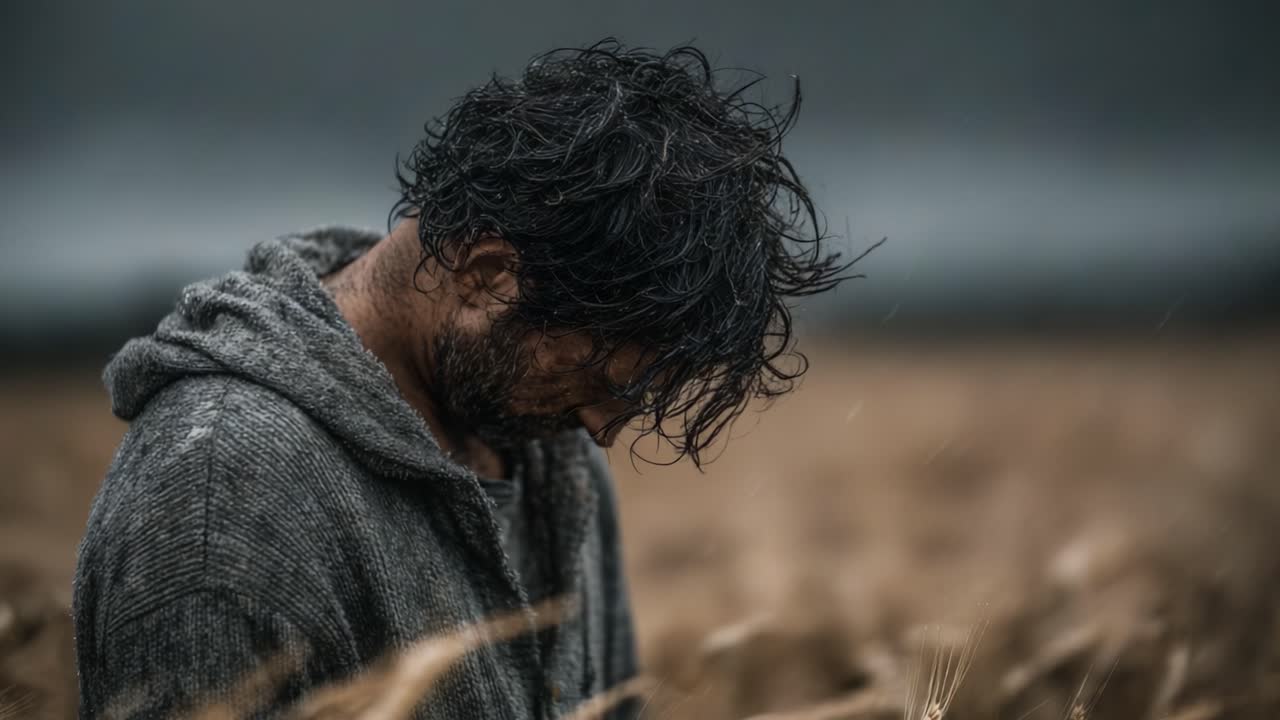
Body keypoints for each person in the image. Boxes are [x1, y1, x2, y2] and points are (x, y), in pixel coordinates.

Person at [72, 39, 850, 719]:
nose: (603, 428)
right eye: (600, 381)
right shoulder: (220, 500)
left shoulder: (547, 449)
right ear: (485, 276)